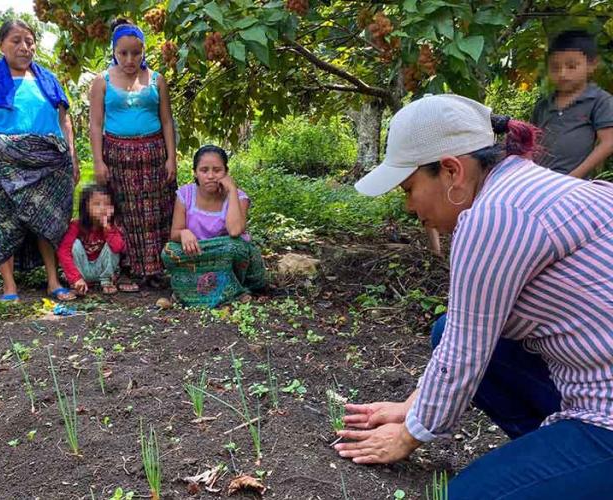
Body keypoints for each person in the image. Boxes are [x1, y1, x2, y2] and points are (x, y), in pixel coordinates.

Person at [335, 94, 613, 499]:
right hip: (589, 379)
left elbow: (465, 351)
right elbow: (466, 336)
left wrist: (408, 435)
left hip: (605, 415)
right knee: (444, 329)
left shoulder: (494, 217)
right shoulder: (530, 187)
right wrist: (414, 406)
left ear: (451, 171)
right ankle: (557, 465)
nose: (410, 206)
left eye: (409, 188)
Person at [0, 20, 78, 302]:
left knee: (47, 218)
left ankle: (53, 281)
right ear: (0, 45)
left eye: (29, 41)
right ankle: (9, 287)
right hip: (4, 165)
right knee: (4, 220)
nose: (24, 47)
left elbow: (65, 120)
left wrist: (73, 158)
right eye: (16, 41)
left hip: (50, 164)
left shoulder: (48, 78)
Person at [89, 19, 178, 291]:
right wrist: (98, 161)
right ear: (114, 51)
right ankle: (129, 269)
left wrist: (171, 158)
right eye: (123, 53)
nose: (130, 59)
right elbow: (95, 124)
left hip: (153, 153)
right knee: (124, 211)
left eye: (136, 53)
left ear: (143, 51)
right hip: (117, 154)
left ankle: (157, 269)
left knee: (156, 210)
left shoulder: (156, 80)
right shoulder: (101, 82)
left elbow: (166, 121)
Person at [161, 145, 266, 307]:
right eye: (204, 170)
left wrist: (231, 190)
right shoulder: (185, 194)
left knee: (235, 248)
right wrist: (183, 233)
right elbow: (174, 232)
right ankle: (221, 292)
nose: (210, 176)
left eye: (217, 170)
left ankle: (225, 290)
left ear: (226, 172)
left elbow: (235, 231)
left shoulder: (240, 197)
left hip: (226, 256)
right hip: (198, 253)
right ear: (195, 172)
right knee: (169, 251)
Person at [531, 30, 613, 178]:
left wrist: (574, 176)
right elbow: (531, 142)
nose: (562, 73)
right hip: (540, 181)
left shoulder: (599, 100)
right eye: (555, 68)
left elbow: (609, 142)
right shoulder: (543, 104)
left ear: (592, 65)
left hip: (575, 184)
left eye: (571, 66)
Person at [56, 184, 126, 296]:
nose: (102, 208)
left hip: (101, 269)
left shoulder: (111, 226)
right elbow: (63, 251)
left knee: (112, 245)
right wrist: (75, 278)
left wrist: (107, 228)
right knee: (75, 245)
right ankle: (78, 283)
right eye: (97, 204)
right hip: (82, 269)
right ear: (86, 206)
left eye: (107, 205)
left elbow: (118, 248)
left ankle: (106, 281)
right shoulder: (76, 225)